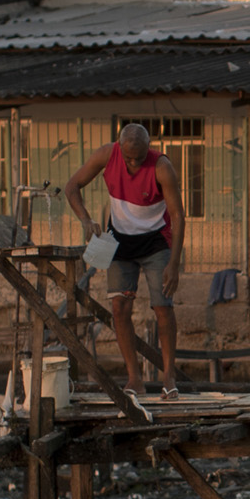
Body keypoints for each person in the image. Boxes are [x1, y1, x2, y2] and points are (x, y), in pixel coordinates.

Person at [65, 123, 184, 399]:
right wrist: (86, 219)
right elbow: (72, 186)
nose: (133, 163)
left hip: (156, 242)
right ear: (119, 148)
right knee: (119, 307)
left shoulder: (162, 167)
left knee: (162, 306)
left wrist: (174, 263)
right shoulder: (106, 155)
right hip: (119, 242)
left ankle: (169, 377)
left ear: (149, 149)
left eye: (139, 158)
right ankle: (134, 378)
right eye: (128, 157)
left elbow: (178, 216)